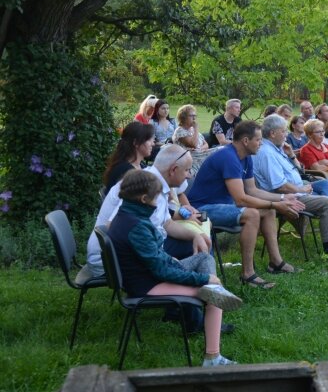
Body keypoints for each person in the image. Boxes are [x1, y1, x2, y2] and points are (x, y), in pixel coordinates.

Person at [107, 170, 241, 367]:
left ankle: (207, 306)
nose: (158, 203)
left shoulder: (127, 216)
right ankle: (213, 358)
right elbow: (160, 271)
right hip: (148, 285)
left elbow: (155, 257)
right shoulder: (136, 227)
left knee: (203, 258)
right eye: (157, 199)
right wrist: (202, 280)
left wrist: (177, 264)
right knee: (214, 293)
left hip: (150, 276)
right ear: (144, 199)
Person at [187, 120, 306, 288]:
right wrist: (274, 204)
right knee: (253, 214)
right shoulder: (228, 157)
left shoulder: (246, 157)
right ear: (245, 141)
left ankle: (276, 262)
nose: (261, 143)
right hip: (201, 210)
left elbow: (252, 190)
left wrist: (281, 199)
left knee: (267, 211)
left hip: (223, 205)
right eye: (258, 140)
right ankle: (248, 274)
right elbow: (241, 199)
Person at [88, 145, 210, 276]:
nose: (189, 175)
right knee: (198, 251)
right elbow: (113, 227)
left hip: (132, 249)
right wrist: (161, 257)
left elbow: (167, 224)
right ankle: (199, 284)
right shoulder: (145, 187)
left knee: (199, 241)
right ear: (173, 170)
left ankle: (200, 283)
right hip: (108, 259)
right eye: (187, 170)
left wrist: (195, 235)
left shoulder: (155, 182)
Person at [252, 115, 328, 261]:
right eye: (284, 131)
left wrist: (291, 155)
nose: (287, 134)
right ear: (273, 133)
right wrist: (301, 190)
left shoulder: (277, 148)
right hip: (286, 196)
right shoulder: (267, 153)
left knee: (322, 183)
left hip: (297, 188)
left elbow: (299, 172)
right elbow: (280, 186)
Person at [103, 122, 155, 191]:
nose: (153, 144)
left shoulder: (141, 165)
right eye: (149, 140)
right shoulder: (124, 170)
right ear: (136, 143)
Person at [173, 104, 212, 177]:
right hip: (192, 158)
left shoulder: (192, 129)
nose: (194, 118)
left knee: (223, 150)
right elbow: (193, 144)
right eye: (191, 116)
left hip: (201, 154)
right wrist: (196, 128)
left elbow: (206, 144)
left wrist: (200, 149)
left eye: (195, 116)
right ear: (183, 117)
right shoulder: (180, 131)